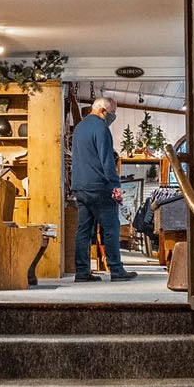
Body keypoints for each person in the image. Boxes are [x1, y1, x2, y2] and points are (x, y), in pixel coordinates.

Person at [68, 97, 135, 281]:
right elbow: (106, 160)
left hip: (80, 186)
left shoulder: (80, 128)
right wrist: (115, 186)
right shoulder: (101, 128)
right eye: (112, 112)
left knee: (83, 230)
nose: (113, 116)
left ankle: (82, 272)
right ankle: (116, 270)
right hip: (98, 186)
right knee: (111, 227)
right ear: (103, 110)